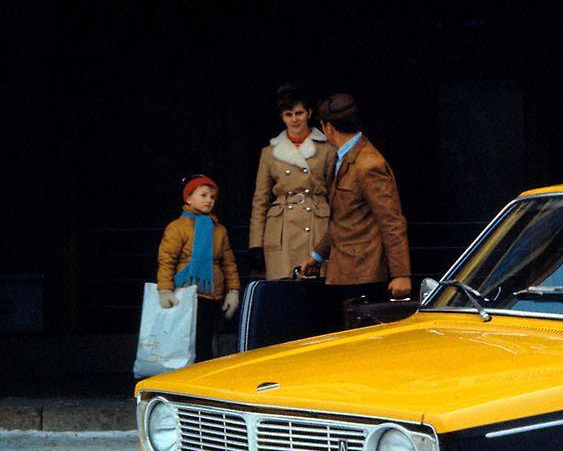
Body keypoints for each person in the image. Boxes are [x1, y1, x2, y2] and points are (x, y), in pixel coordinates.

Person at [303, 93, 412, 318]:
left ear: (328, 127)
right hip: (346, 271)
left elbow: (391, 220)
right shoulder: (344, 157)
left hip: (365, 274)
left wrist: (401, 274)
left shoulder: (368, 163)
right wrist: (317, 256)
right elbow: (345, 218)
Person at [247, 84, 336, 279]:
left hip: (317, 224)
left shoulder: (327, 149)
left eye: (299, 113)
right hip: (282, 228)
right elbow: (260, 200)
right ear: (282, 117)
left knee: (316, 287)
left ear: (309, 113)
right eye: (289, 114)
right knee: (283, 288)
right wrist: (255, 244)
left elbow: (336, 196)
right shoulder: (269, 153)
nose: (294, 119)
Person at [156, 175, 241, 362]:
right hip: (186, 295)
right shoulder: (177, 227)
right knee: (186, 342)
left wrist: (233, 292)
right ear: (188, 199)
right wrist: (165, 290)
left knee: (207, 342)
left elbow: (229, 264)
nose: (209, 200)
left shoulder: (219, 230)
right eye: (203, 195)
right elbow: (167, 260)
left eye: (212, 197)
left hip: (213, 295)